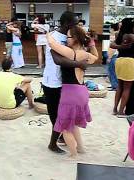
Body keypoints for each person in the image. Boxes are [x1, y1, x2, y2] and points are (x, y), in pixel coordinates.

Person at [47, 25, 98, 158]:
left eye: (68, 37)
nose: (66, 39)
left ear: (75, 38)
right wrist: (91, 43)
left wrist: (48, 33)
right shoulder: (85, 53)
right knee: (73, 123)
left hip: (71, 93)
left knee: (65, 127)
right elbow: (96, 57)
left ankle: (73, 154)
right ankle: (80, 148)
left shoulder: (73, 54)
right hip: (81, 91)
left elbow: (52, 44)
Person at [42, 11, 88, 154]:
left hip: (66, 84)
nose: (77, 26)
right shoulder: (54, 38)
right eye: (75, 23)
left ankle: (62, 137)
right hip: (52, 82)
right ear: (67, 24)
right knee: (56, 116)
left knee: (64, 115)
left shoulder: (72, 37)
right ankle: (52, 144)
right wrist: (78, 64)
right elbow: (58, 60)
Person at [111, 17, 134, 117]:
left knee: (119, 86)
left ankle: (115, 109)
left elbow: (112, 44)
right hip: (128, 61)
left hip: (119, 60)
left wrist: (120, 47)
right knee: (127, 88)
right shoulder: (130, 35)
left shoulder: (119, 34)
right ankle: (121, 111)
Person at [106, 23, 120, 91]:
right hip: (114, 55)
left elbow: (112, 48)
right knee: (112, 71)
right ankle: (113, 85)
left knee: (111, 71)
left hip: (113, 55)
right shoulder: (117, 34)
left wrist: (109, 57)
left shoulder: (113, 35)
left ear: (112, 28)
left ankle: (115, 86)